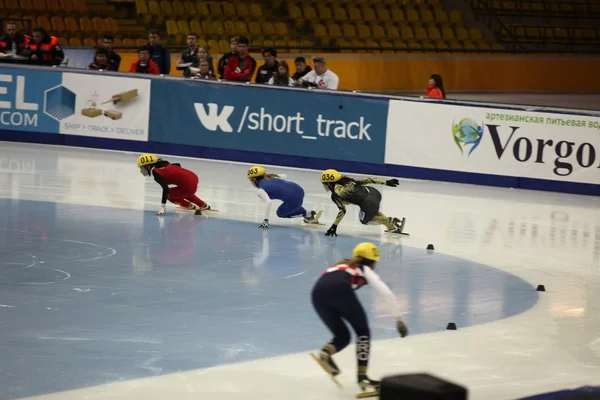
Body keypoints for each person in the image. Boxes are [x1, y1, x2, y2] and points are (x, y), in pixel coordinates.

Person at [311, 242, 408, 392]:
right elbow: (386, 293)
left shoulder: (340, 265)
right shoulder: (364, 269)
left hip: (317, 294)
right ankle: (363, 378)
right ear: (372, 261)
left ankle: (327, 352)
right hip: (340, 290)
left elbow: (327, 283)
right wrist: (399, 319)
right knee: (362, 332)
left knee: (342, 336)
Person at [320, 169, 406, 236]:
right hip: (374, 193)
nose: (323, 186)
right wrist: (386, 182)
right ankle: (392, 227)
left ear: (328, 183)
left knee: (364, 221)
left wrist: (334, 226)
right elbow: (367, 180)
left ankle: (388, 221)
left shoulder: (335, 195)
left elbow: (342, 211)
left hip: (367, 202)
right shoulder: (347, 181)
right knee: (372, 213)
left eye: (323, 184)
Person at [247, 166, 322, 229]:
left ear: (253, 180)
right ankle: (305, 212)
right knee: (289, 203)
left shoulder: (260, 190)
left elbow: (269, 202)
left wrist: (266, 220)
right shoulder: (271, 177)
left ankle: (307, 215)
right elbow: (284, 175)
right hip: (298, 189)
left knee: (280, 213)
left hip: (294, 199)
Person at [137, 154, 212, 216]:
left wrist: (162, 208)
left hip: (189, 186)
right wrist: (181, 178)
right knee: (182, 191)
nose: (141, 170)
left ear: (148, 166)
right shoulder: (165, 164)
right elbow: (177, 164)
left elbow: (165, 189)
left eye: (141, 167)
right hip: (193, 177)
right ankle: (204, 205)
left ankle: (189, 206)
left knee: (169, 195)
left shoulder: (156, 173)